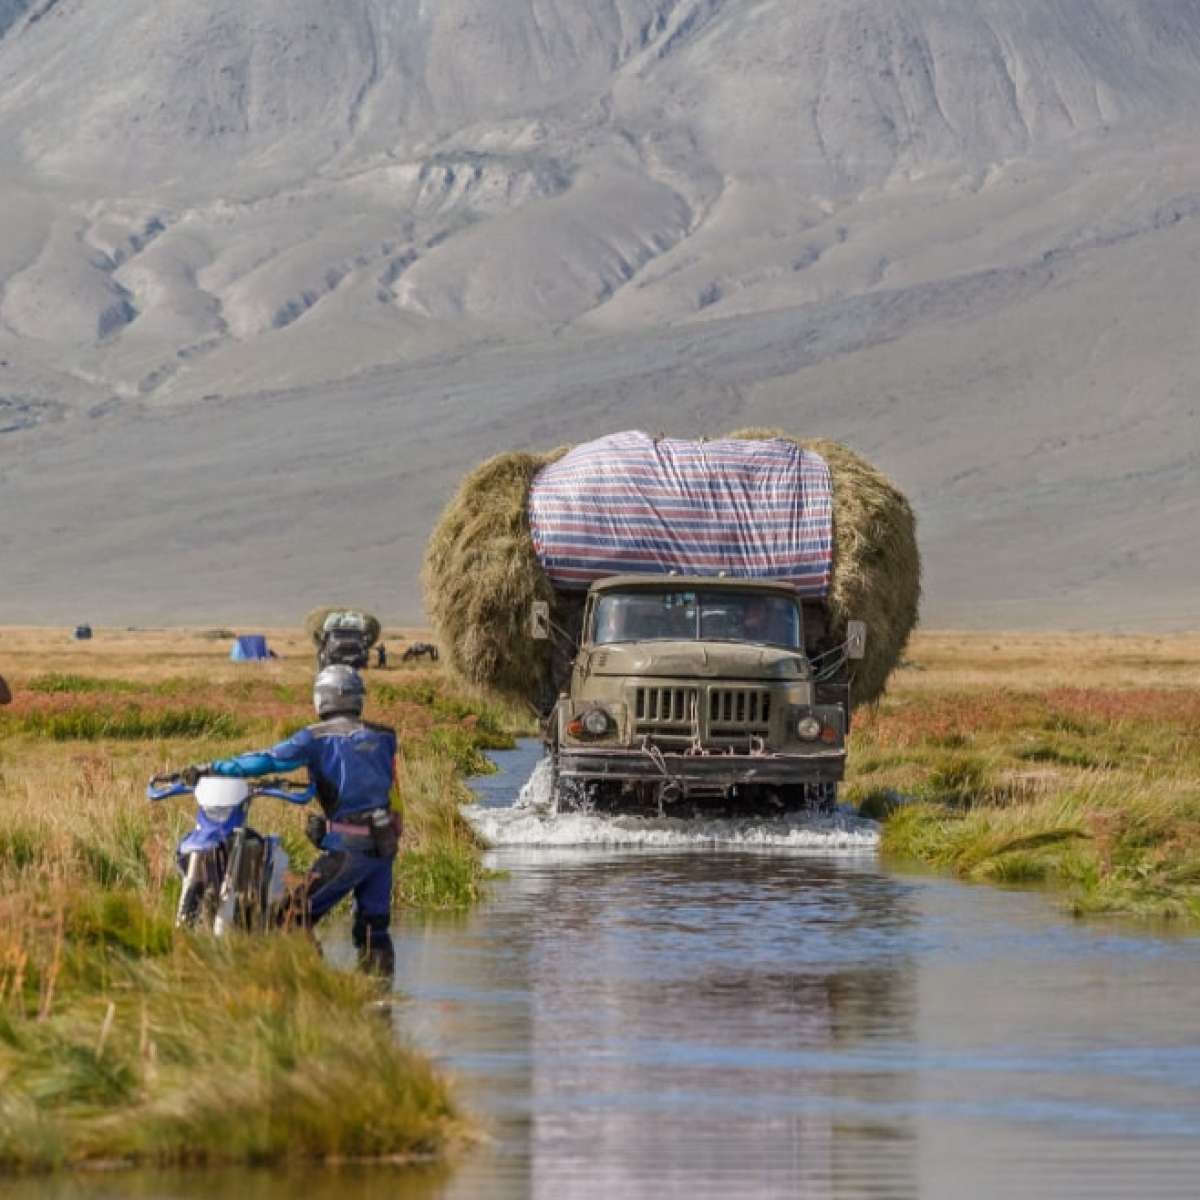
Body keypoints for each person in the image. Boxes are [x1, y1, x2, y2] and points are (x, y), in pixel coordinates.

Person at [185, 665, 400, 976]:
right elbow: (395, 789)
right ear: (357, 698)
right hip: (384, 845)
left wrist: (214, 767)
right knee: (374, 929)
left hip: (348, 848)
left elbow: (269, 760)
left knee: (292, 917)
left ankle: (316, 986)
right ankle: (381, 1003)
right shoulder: (384, 736)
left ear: (322, 699)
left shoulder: (315, 738)